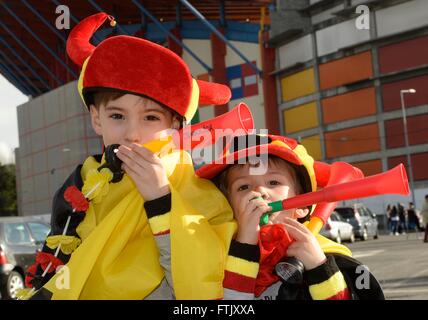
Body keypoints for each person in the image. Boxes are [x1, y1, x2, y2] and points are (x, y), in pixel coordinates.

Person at [23, 12, 237, 300]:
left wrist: (162, 200)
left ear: (175, 125)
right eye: (117, 115)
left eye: (150, 117)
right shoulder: (81, 181)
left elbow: (204, 288)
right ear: (96, 119)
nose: (132, 134)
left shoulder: (203, 194)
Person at [197, 134, 384, 300]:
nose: (259, 192)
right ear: (228, 207)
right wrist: (244, 247)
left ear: (302, 206)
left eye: (273, 182)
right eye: (243, 187)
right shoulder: (215, 257)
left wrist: (320, 269)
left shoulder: (327, 258)